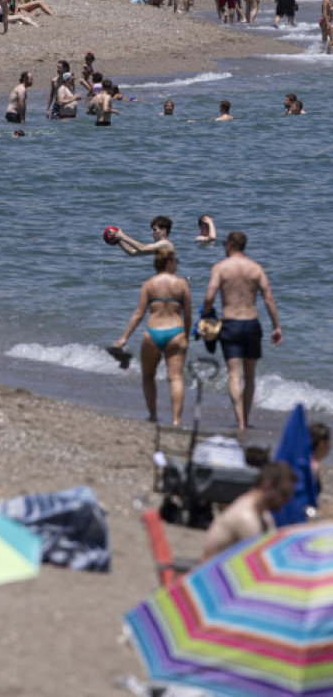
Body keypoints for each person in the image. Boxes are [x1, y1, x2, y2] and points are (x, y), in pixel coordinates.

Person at [202, 231, 282, 430]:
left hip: (230, 325)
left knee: (234, 375)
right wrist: (276, 326)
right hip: (251, 324)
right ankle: (246, 419)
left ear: (229, 245)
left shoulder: (220, 268)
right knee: (250, 376)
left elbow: (209, 296)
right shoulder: (256, 269)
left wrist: (204, 316)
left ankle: (239, 423)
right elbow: (268, 298)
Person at [113, 246, 192, 426]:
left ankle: (153, 416)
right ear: (169, 262)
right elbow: (187, 315)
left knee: (148, 376)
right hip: (176, 333)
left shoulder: (149, 284)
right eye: (176, 261)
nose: (177, 265)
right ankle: (176, 420)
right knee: (176, 378)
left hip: (152, 334)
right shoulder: (181, 284)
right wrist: (185, 336)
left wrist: (124, 337)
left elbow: (138, 314)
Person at [202, 462, 296, 560]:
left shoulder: (263, 514)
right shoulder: (246, 518)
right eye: (284, 494)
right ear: (266, 486)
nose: (287, 500)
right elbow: (264, 560)